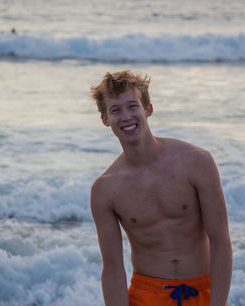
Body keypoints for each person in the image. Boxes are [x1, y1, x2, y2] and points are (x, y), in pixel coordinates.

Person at [90, 70, 232, 306]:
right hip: (147, 296)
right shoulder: (105, 190)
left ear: (148, 108)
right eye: (115, 110)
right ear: (105, 119)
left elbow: (221, 241)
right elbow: (113, 268)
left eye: (132, 106)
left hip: (203, 292)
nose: (126, 116)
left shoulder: (197, 162)